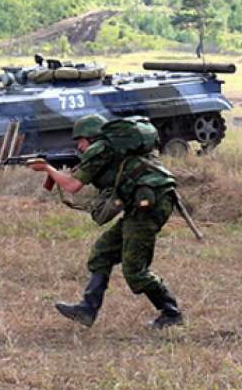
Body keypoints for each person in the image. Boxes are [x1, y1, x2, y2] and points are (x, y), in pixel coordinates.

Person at [27, 114, 184, 329]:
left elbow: (73, 186)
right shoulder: (109, 149)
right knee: (102, 253)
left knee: (135, 271)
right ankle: (87, 310)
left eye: (81, 141)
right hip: (145, 202)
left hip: (150, 205)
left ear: (91, 137)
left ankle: (171, 313)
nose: (80, 147)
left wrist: (48, 169)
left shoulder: (99, 148)